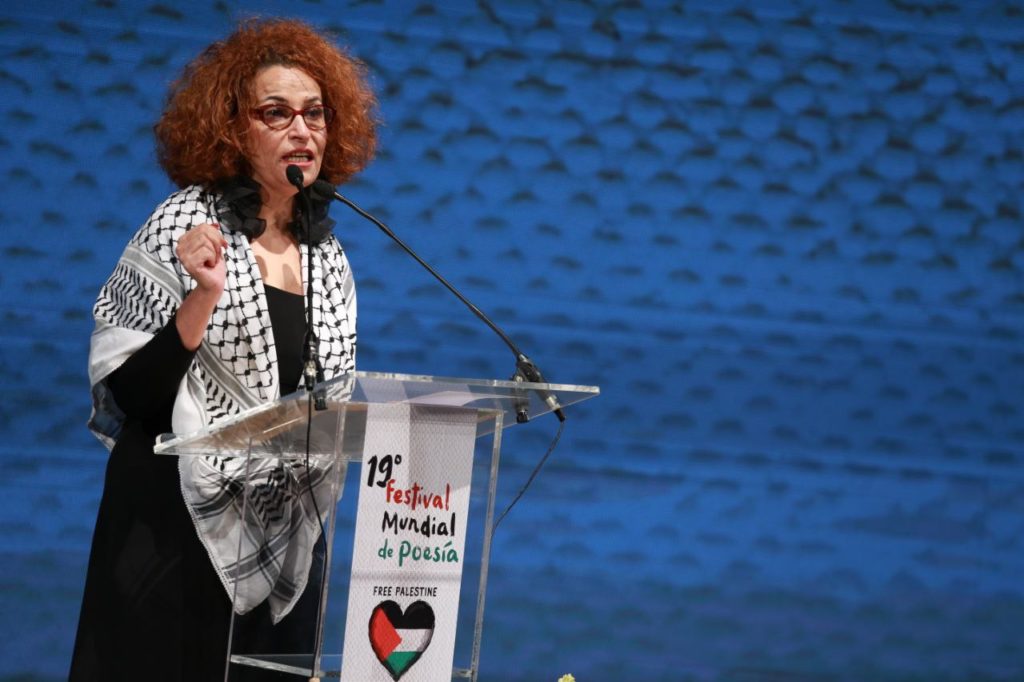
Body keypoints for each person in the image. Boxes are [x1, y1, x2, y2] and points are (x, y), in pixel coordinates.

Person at [70, 18, 377, 681]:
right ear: (234, 129)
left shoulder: (327, 256)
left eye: (315, 114)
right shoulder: (184, 223)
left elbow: (329, 404)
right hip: (171, 533)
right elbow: (130, 398)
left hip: (284, 534)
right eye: (277, 113)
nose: (303, 130)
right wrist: (202, 297)